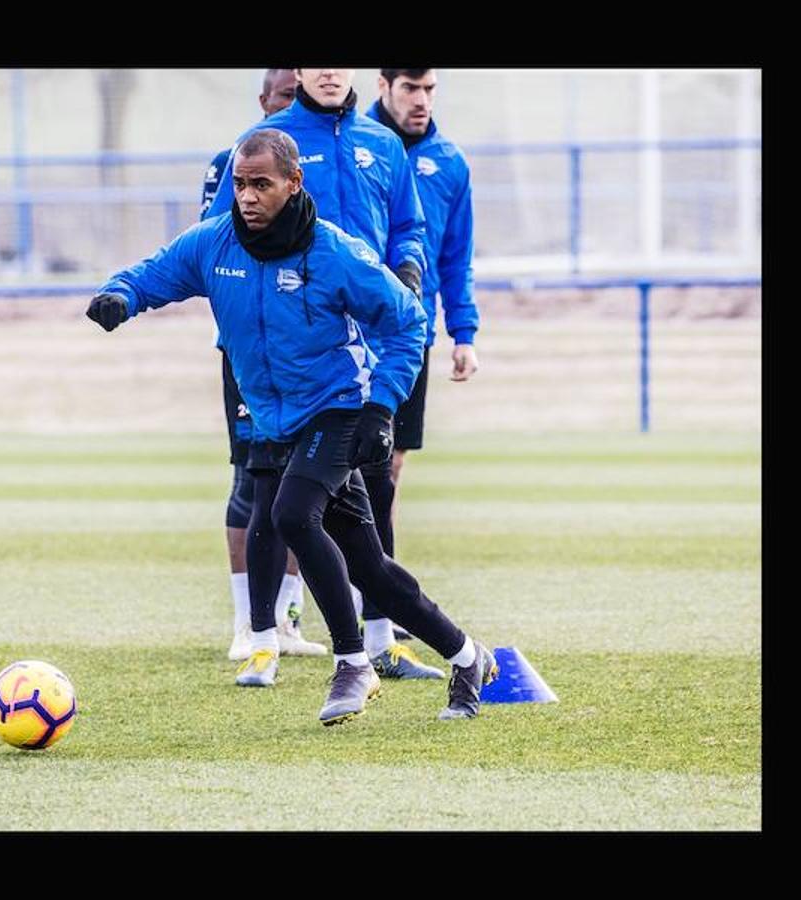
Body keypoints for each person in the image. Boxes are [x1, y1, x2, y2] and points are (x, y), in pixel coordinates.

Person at [86, 129, 498, 724]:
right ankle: (467, 656)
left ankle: (352, 665)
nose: (247, 196)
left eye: (261, 184)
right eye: (240, 184)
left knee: (288, 515)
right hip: (273, 420)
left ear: (293, 183)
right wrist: (119, 296)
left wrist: (382, 408)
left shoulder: (333, 253)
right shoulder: (214, 244)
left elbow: (408, 323)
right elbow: (153, 273)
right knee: (368, 565)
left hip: (337, 408)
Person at [206, 68, 443, 681]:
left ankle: (380, 638)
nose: (331, 70)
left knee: (376, 491)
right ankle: (261, 633)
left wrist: (409, 273)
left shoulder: (382, 145)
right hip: (280, 354)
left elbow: (409, 229)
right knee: (264, 490)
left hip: (373, 343)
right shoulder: (263, 139)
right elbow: (214, 241)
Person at [200, 69, 323, 662]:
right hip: (248, 355)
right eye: (281, 97)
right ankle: (247, 622)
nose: (289, 108)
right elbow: (205, 249)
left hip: (309, 358)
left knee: (308, 489)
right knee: (251, 479)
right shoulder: (232, 165)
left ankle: (288, 619)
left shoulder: (312, 168)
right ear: (264, 102)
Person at [364, 67, 480, 590]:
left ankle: (375, 590)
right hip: (350, 330)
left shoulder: (449, 163)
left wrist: (464, 333)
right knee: (332, 466)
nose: (422, 100)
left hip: (411, 336)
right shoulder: (357, 146)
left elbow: (456, 257)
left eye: (429, 89)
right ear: (383, 87)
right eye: (411, 88)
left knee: (389, 466)